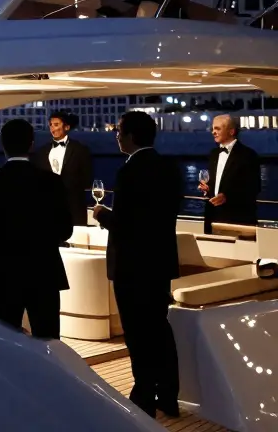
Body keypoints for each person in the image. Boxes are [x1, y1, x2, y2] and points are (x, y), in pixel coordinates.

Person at [93, 111, 181, 419]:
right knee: (159, 329)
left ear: (130, 136)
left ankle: (143, 397)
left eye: (119, 131)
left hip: (133, 266)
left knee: (138, 334)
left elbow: (127, 224)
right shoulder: (168, 168)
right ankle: (168, 396)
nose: (116, 136)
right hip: (160, 264)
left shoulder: (129, 172)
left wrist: (103, 214)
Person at [0, 119, 73, 339]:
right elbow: (65, 231)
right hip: (44, 270)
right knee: (48, 341)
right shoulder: (51, 182)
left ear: (3, 144)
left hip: (4, 273)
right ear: (31, 144)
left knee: (5, 342)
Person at [31, 110, 94, 226]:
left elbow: (87, 179)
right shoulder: (41, 152)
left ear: (67, 127)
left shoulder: (80, 150)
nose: (52, 128)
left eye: (56, 125)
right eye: (50, 125)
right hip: (47, 209)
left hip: (74, 208)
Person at [201, 113, 261, 232]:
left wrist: (227, 197)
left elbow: (254, 187)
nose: (213, 132)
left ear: (231, 131)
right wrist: (207, 188)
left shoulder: (248, 155)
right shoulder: (213, 154)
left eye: (217, 128)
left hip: (237, 218)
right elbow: (215, 182)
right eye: (212, 128)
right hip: (213, 217)